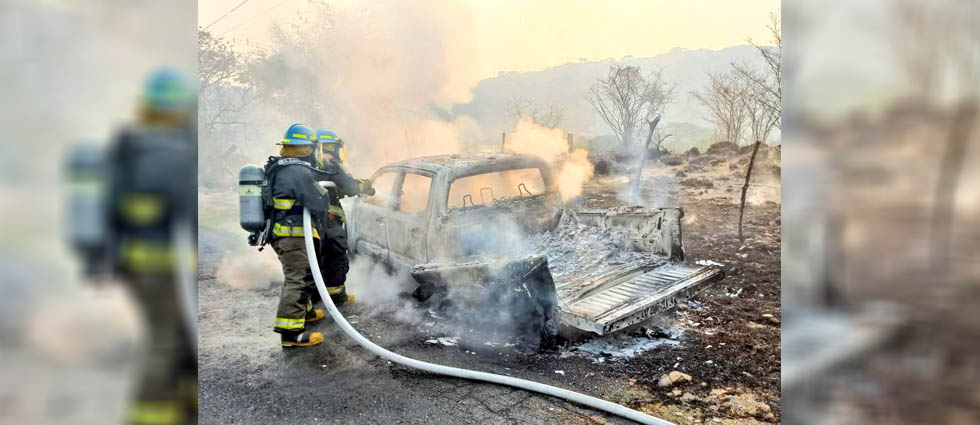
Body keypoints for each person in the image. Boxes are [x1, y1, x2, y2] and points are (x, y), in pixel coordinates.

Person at [106, 68, 198, 425]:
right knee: (165, 338)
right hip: (163, 264)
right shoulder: (166, 148)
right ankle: (152, 413)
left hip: (140, 260)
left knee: (175, 330)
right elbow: (183, 204)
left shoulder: (132, 146)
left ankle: (186, 397)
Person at [263, 123, 335, 348]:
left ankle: (307, 312)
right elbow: (319, 201)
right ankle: (291, 333)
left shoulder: (282, 166)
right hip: (292, 235)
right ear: (306, 148)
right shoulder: (298, 171)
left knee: (301, 275)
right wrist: (324, 191)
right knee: (298, 278)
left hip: (285, 233)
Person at [311, 128, 374, 307]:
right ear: (332, 146)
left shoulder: (311, 165)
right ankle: (337, 298)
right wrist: (366, 185)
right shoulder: (331, 165)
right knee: (336, 257)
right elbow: (350, 187)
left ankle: (317, 297)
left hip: (314, 223)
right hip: (329, 223)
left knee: (318, 258)